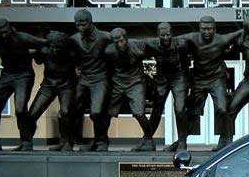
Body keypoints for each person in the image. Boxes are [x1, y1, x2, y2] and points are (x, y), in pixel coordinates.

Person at [0, 19, 47, 151]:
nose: (4, 35)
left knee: (20, 109)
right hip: (7, 74)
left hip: (24, 75)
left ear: (11, 28)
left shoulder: (23, 37)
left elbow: (44, 43)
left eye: (6, 32)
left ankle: (26, 142)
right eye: (1, 33)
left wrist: (36, 55)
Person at [181, 16, 243, 151]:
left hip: (216, 79)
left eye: (209, 29)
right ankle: (181, 141)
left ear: (215, 29)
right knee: (192, 112)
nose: (206, 32)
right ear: (199, 29)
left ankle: (226, 139)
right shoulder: (193, 37)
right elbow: (174, 40)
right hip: (199, 80)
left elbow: (240, 32)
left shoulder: (222, 39)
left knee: (222, 109)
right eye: (203, 29)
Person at [22, 31, 78, 151]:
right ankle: (26, 142)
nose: (54, 50)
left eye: (58, 47)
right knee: (32, 114)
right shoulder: (45, 51)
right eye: (52, 46)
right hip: (48, 85)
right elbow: (37, 60)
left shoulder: (72, 54)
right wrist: (35, 53)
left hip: (67, 86)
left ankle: (66, 142)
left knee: (65, 113)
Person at [104, 28, 155, 151]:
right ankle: (101, 140)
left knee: (139, 113)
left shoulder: (137, 47)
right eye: (116, 42)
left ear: (126, 38)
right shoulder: (109, 51)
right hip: (118, 83)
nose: (119, 44)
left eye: (121, 41)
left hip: (136, 82)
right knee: (107, 114)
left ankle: (148, 138)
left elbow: (155, 46)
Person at [144, 22, 190, 152]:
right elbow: (136, 48)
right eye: (162, 35)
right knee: (157, 108)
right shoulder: (152, 44)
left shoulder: (181, 44)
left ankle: (182, 141)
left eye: (168, 35)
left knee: (180, 108)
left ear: (172, 34)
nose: (165, 38)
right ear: (158, 35)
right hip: (162, 78)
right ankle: (147, 139)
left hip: (179, 77)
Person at [71, 10, 112, 152]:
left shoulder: (105, 37)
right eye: (77, 25)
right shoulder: (74, 39)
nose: (80, 28)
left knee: (96, 112)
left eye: (83, 24)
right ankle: (70, 140)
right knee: (70, 108)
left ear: (90, 22)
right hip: (84, 78)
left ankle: (101, 141)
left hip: (100, 78)